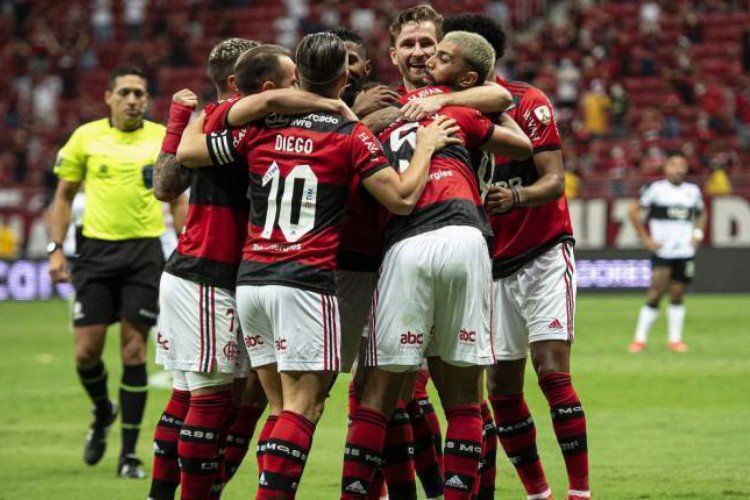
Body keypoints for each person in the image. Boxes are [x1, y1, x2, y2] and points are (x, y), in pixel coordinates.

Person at [177, 32, 459, 498]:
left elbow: (190, 152)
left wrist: (193, 115)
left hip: (251, 282)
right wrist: (427, 145)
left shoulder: (261, 127)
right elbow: (404, 199)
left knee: (279, 408)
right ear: (345, 77)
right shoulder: (350, 135)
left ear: (297, 77)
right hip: (306, 281)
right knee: (303, 409)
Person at [342, 31, 531, 500]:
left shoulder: (378, 119)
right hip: (467, 235)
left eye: (438, 51)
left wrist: (361, 113)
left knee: (377, 398)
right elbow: (522, 145)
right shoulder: (456, 109)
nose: (428, 57)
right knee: (466, 400)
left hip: (404, 244)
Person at [440, 13, 590, 500]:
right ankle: (538, 494)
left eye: (447, 51)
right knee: (502, 392)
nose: (433, 59)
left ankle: (580, 492)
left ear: (474, 61)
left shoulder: (528, 102)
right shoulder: (443, 113)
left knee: (551, 372)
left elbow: (553, 180)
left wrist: (517, 197)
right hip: (491, 263)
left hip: (544, 251)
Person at [148, 37, 268, 500]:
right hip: (205, 272)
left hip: (228, 274)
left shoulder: (223, 123)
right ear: (237, 83)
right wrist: (179, 123)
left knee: (197, 395)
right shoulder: (216, 123)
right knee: (213, 398)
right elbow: (163, 186)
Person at [47, 66, 181, 478]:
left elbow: (177, 197)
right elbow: (64, 196)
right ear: (108, 97)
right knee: (86, 352)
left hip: (144, 253)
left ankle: (128, 455)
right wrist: (56, 249)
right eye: (124, 92)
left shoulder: (161, 138)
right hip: (95, 253)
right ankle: (103, 409)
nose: (132, 99)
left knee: (134, 352)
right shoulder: (85, 137)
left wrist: (187, 242)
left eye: (139, 92)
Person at [629, 152, 706, 353]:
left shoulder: (693, 191)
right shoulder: (656, 189)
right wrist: (645, 238)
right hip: (663, 251)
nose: (678, 168)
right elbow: (633, 210)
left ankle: (675, 340)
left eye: (682, 164)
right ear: (666, 168)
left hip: (685, 251)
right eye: (673, 164)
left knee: (678, 294)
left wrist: (697, 233)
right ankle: (639, 339)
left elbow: (701, 213)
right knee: (655, 292)